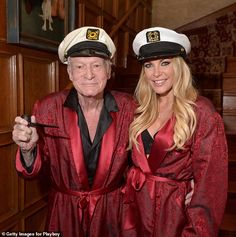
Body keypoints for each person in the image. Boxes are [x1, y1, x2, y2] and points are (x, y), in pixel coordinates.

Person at [12, 26, 136, 237]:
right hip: (64, 211)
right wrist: (27, 149)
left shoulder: (129, 107)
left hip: (111, 212)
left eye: (97, 65)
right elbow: (31, 173)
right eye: (79, 66)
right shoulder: (47, 107)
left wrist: (185, 182)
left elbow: (143, 160)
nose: (89, 74)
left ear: (108, 71)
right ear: (69, 72)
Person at [122, 27, 228, 237]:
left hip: (176, 219)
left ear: (179, 66)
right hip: (135, 214)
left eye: (165, 63)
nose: (156, 73)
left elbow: (211, 188)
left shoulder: (201, 112)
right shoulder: (138, 109)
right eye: (148, 65)